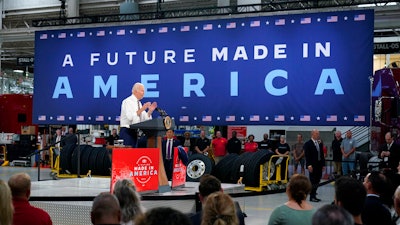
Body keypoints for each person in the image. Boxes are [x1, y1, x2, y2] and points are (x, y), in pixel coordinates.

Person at [120, 82, 157, 147]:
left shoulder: (139, 103)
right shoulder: (127, 101)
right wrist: (142, 109)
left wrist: (150, 111)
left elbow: (143, 118)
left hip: (135, 131)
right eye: (142, 91)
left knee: (134, 154)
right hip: (127, 131)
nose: (143, 93)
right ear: (135, 91)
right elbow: (130, 117)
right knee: (127, 154)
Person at [304, 129, 325, 202]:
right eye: (316, 133)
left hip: (319, 165)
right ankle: (311, 196)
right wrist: (309, 165)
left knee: (318, 180)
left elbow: (322, 155)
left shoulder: (319, 143)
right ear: (312, 134)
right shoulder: (308, 143)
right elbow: (307, 155)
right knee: (313, 180)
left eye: (318, 133)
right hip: (312, 165)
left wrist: (323, 164)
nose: (318, 135)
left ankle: (314, 195)